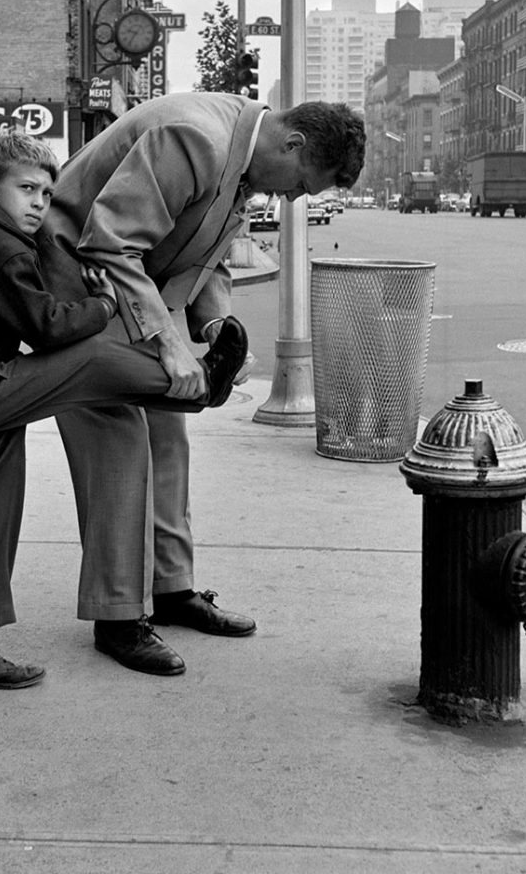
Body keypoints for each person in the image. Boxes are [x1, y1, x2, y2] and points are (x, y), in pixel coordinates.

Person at [36, 92, 366, 677]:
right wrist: (167, 343)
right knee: (116, 436)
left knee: (168, 432)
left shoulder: (240, 159)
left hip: (128, 289)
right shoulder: (195, 138)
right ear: (292, 143)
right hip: (77, 288)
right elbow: (110, 242)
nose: (292, 198)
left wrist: (213, 328)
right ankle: (117, 618)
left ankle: (170, 588)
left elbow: (205, 259)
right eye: (302, 185)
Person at [0, 131, 248, 695]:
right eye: (26, 189)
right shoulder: (2, 247)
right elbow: (48, 329)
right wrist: (107, 304)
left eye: (47, 191)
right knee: (86, 361)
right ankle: (198, 383)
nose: (40, 203)